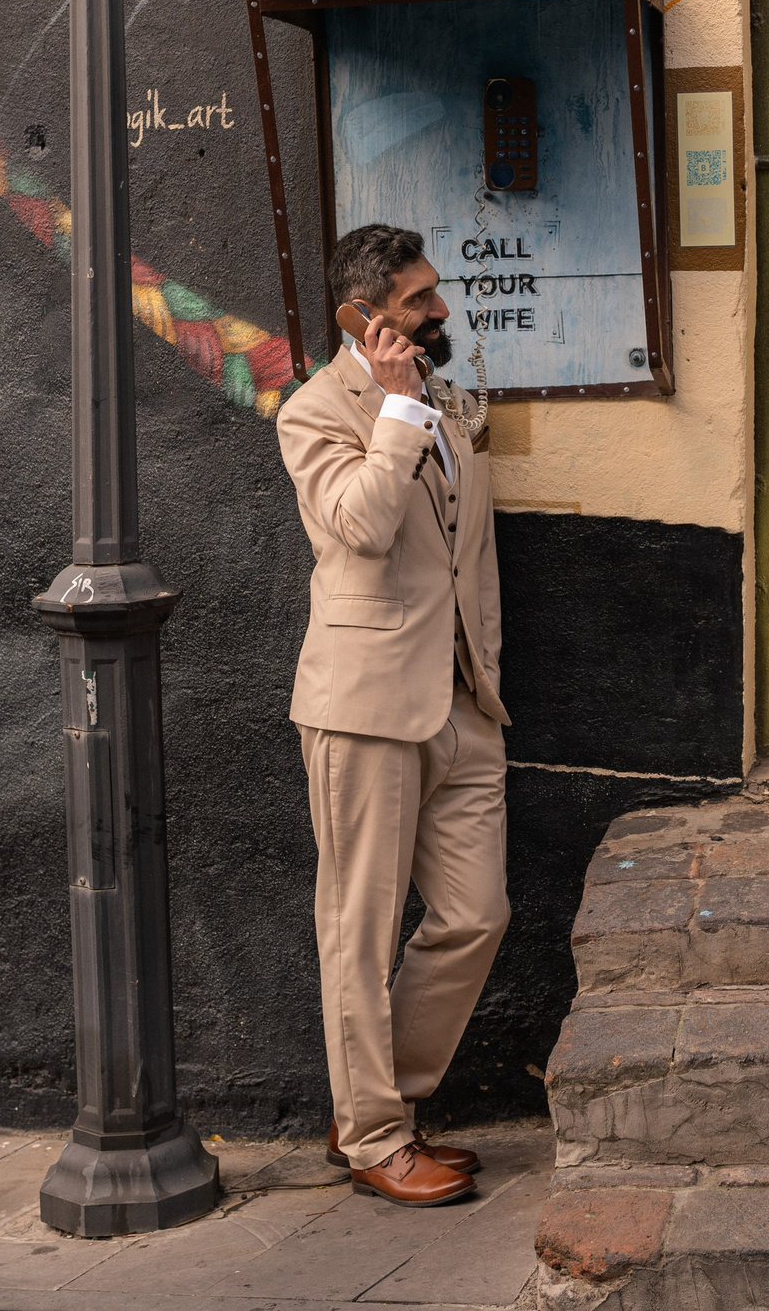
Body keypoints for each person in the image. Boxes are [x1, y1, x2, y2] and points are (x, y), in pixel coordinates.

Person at [278, 223, 509, 1207]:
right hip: (364, 702)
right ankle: (376, 1135)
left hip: (462, 700)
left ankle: (372, 1102)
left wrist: (484, 675)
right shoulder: (314, 413)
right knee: (360, 927)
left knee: (474, 914)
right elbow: (363, 528)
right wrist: (401, 410)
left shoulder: (451, 405)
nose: (441, 309)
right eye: (419, 300)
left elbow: (467, 553)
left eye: (434, 292)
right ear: (363, 319)